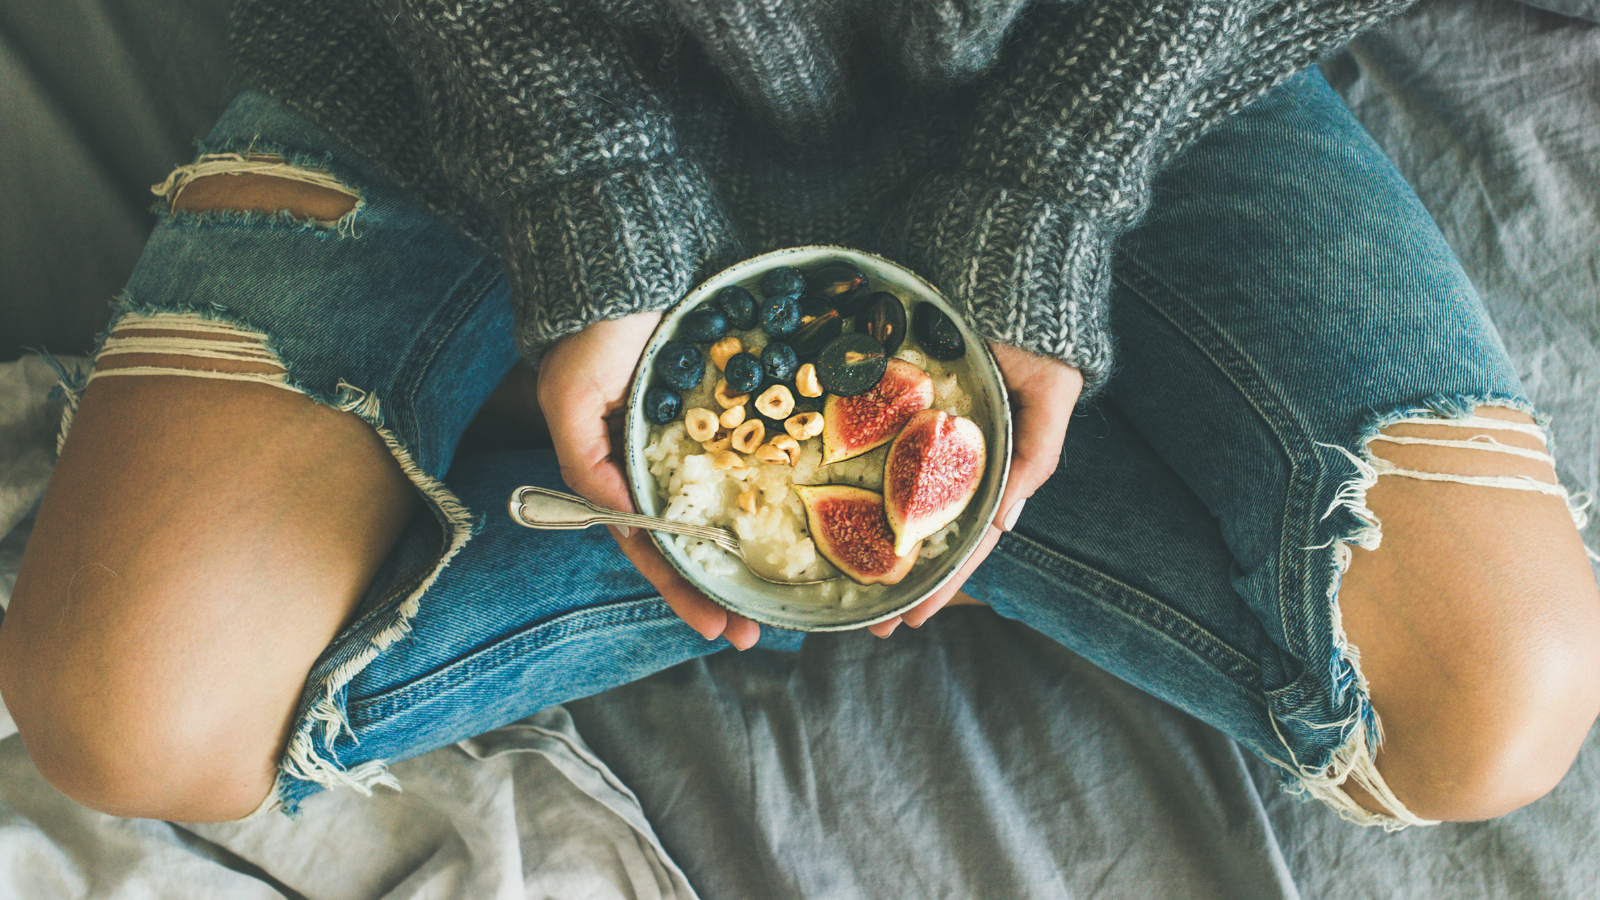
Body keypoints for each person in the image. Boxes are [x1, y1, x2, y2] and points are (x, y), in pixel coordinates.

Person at [1, 0, 1597, 830]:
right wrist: (578, 185)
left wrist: (1055, 181)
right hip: (467, 71)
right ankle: (866, 514)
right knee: (128, 716)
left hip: (1112, 64)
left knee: (1485, 709)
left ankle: (875, 513)